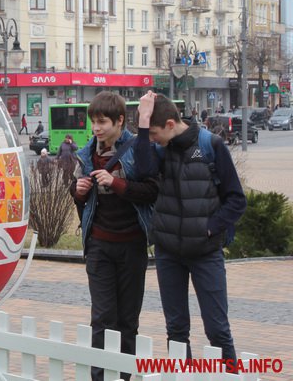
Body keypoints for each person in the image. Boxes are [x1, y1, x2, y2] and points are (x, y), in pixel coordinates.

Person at [135, 92, 246, 369]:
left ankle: (230, 376)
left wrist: (210, 228)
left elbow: (236, 199)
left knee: (217, 329)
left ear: (171, 124)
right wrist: (144, 122)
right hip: (168, 252)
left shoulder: (211, 145)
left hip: (205, 253)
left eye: (155, 133)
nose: (152, 139)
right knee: (176, 330)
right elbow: (143, 169)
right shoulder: (162, 149)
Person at [71, 91, 158, 381]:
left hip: (131, 245)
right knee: (103, 318)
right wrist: (78, 191)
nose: (96, 128)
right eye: (93, 122)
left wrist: (117, 183)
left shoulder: (137, 149)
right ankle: (100, 377)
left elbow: (151, 191)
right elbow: (82, 201)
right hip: (99, 245)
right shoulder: (86, 154)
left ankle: (123, 376)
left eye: (102, 122)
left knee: (127, 321)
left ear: (120, 121)